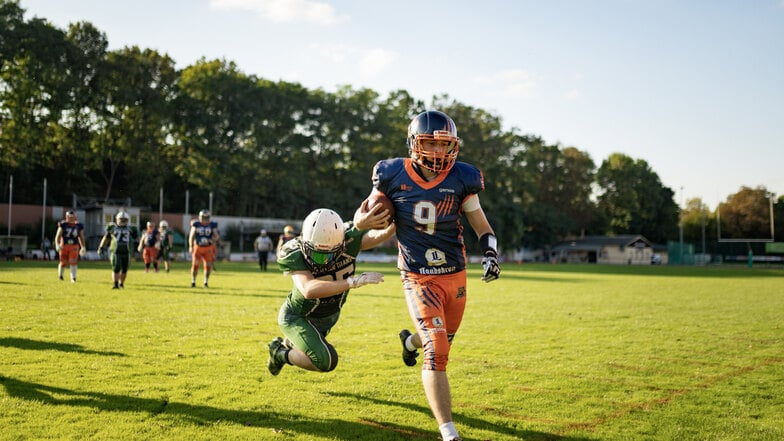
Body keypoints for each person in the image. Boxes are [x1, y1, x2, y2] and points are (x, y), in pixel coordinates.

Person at [366, 110, 501, 441]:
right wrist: (362, 223)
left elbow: (481, 225)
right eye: (431, 144)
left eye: (445, 146)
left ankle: (408, 342)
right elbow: (369, 213)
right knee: (437, 349)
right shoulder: (391, 174)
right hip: (417, 274)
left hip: (454, 273)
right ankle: (449, 432)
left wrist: (491, 252)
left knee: (440, 342)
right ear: (415, 143)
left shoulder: (462, 178)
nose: (439, 153)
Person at [267, 207, 394, 376]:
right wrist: (353, 281)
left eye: (330, 256)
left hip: (328, 316)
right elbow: (308, 289)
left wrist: (396, 224)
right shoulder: (294, 252)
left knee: (307, 349)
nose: (324, 261)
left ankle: (287, 346)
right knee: (325, 360)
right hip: (299, 316)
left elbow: (370, 239)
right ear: (305, 244)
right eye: (319, 256)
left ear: (341, 245)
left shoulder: (347, 239)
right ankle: (279, 353)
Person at [97, 210, 137, 289]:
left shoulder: (131, 229)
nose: (122, 221)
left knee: (125, 269)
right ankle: (115, 284)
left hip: (127, 251)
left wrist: (136, 249)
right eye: (121, 219)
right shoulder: (112, 227)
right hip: (115, 251)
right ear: (117, 219)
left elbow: (136, 239)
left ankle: (121, 283)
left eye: (124, 219)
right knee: (116, 267)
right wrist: (101, 247)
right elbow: (106, 238)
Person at [189, 209, 219, 288]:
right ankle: (193, 281)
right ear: (199, 217)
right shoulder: (196, 224)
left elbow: (216, 236)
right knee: (195, 265)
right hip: (198, 247)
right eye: (203, 217)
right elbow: (191, 236)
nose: (205, 219)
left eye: (206, 218)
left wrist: (211, 240)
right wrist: (190, 246)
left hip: (208, 248)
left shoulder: (212, 225)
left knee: (208, 266)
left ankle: (205, 282)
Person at [54, 209, 87, 282]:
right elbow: (58, 235)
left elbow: (81, 237)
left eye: (72, 216)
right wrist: (57, 244)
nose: (71, 218)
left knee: (73, 262)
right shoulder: (63, 224)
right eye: (69, 216)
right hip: (64, 245)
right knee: (63, 262)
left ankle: (73, 278)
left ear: (75, 217)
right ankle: (60, 276)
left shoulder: (78, 225)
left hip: (74, 246)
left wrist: (83, 247)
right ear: (66, 217)